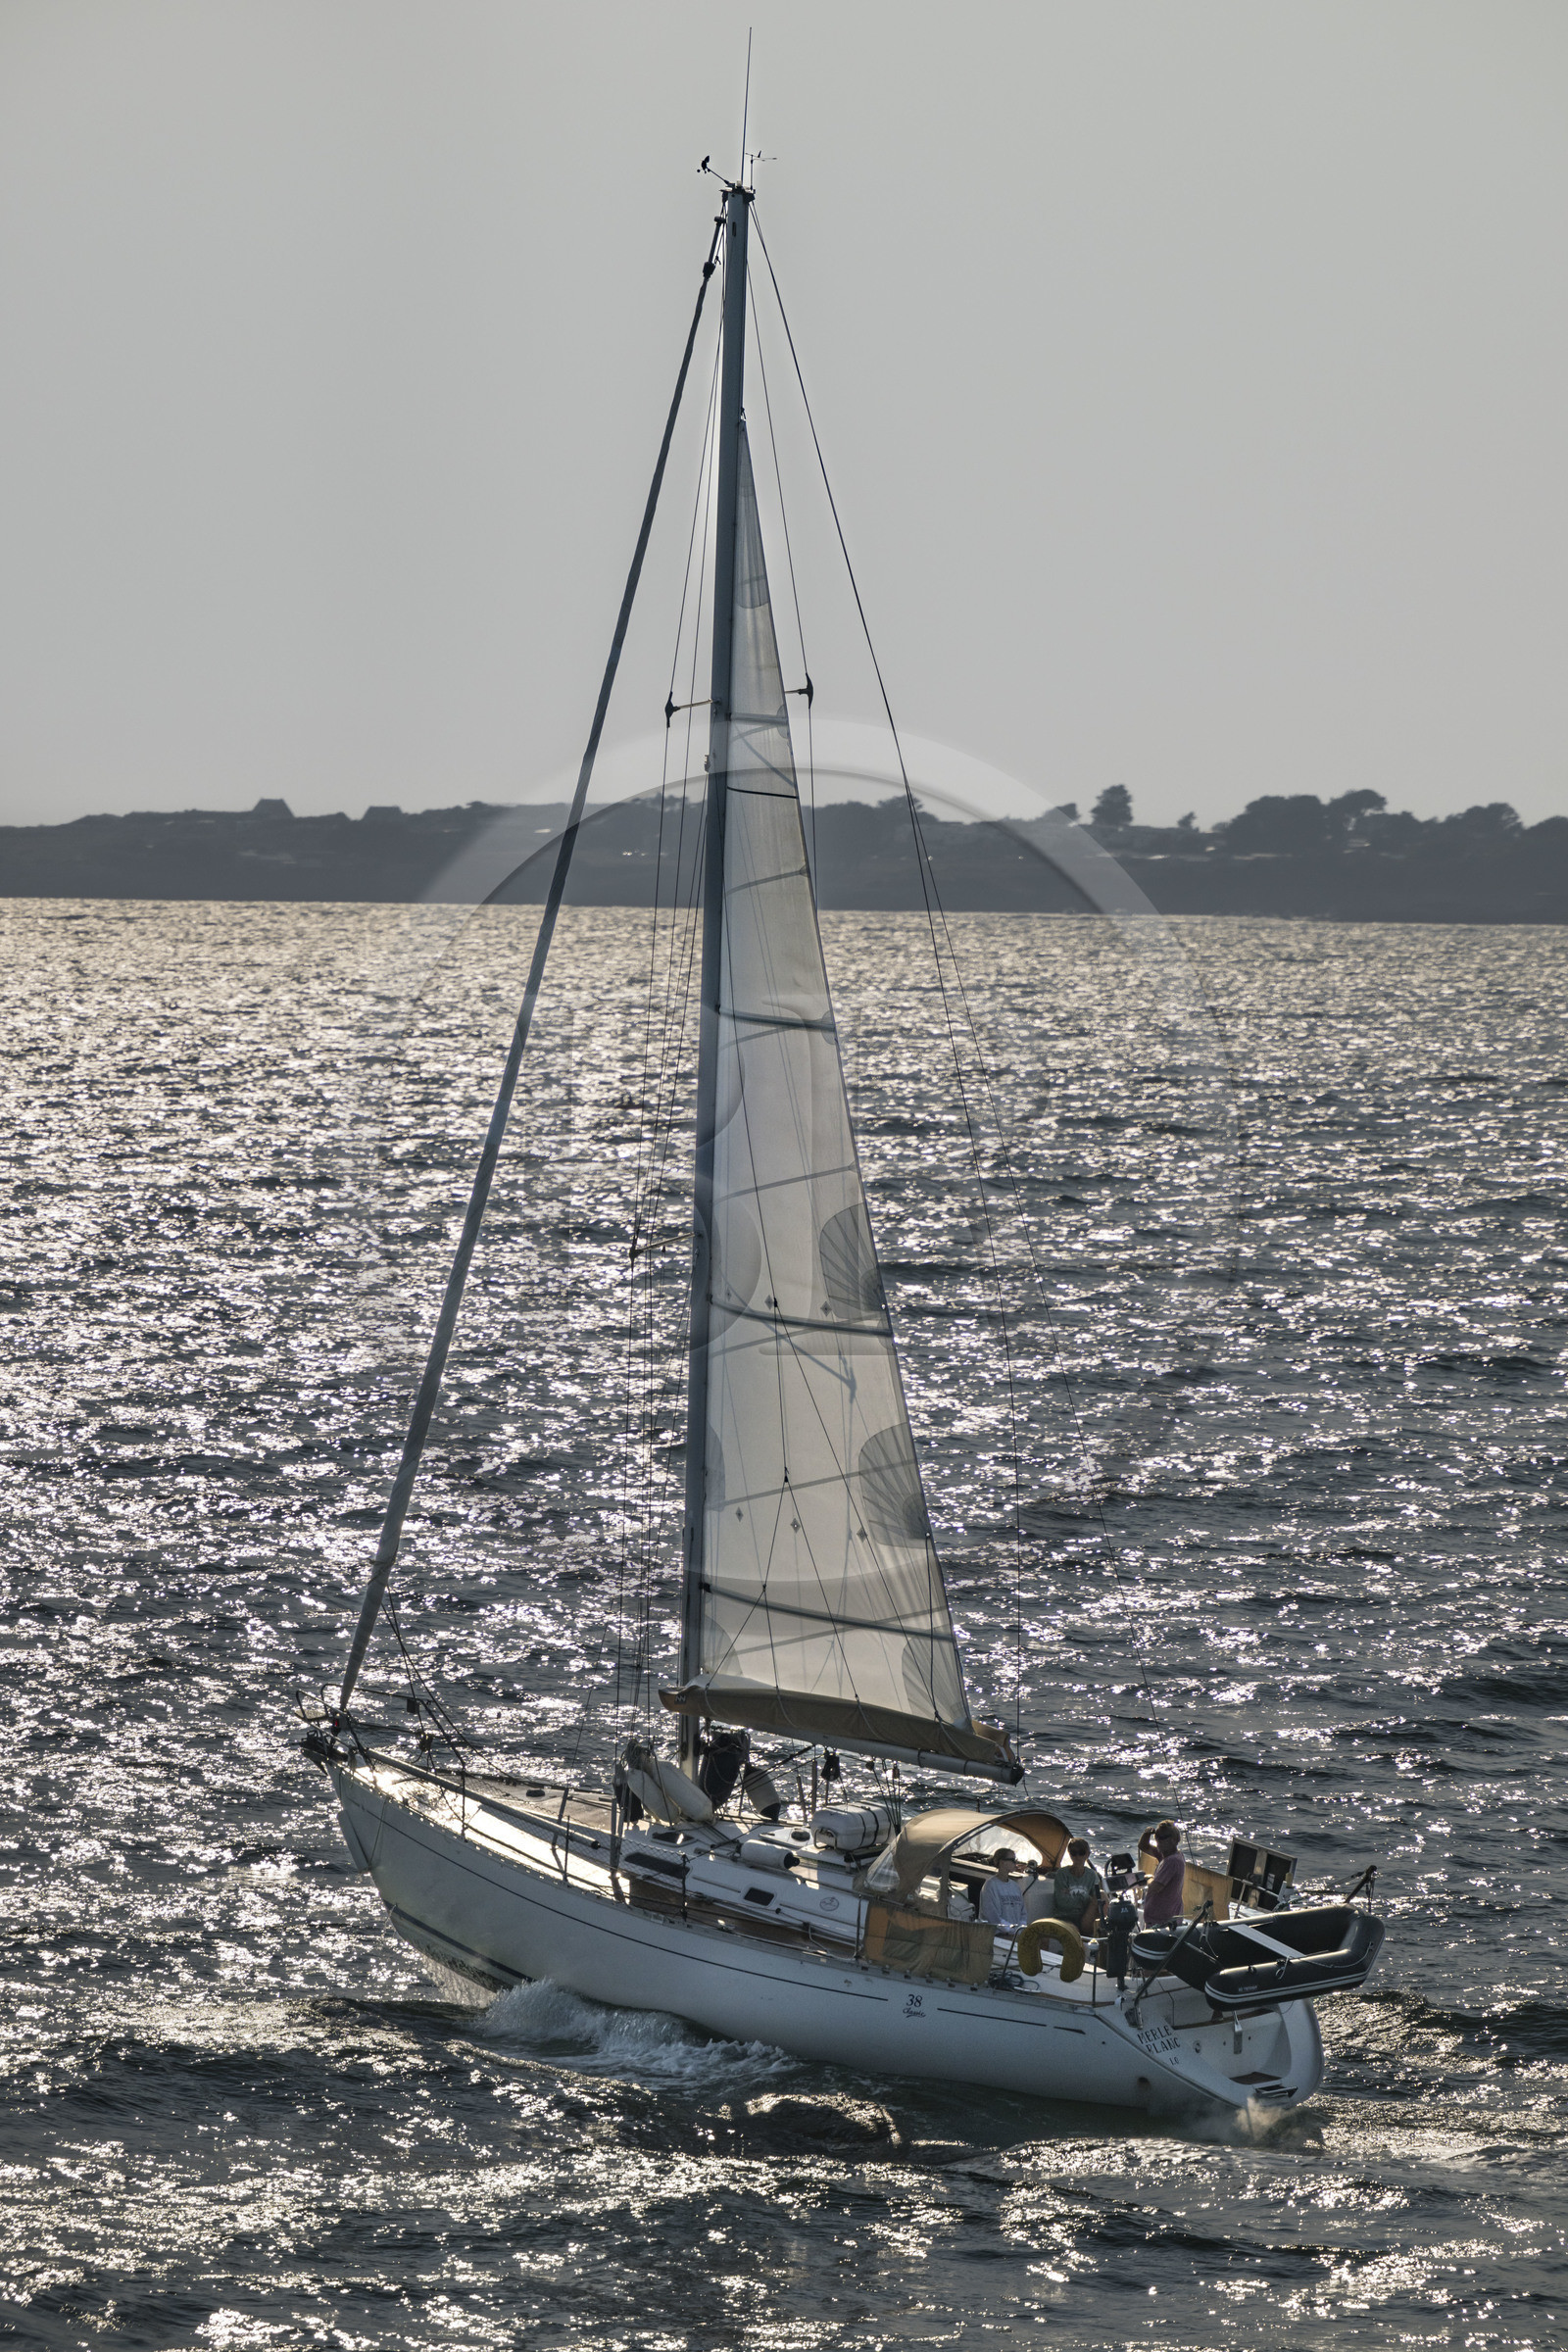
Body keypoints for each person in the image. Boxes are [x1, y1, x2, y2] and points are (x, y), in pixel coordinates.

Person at [1037, 1837, 1102, 1934]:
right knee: (1074, 1930)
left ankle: (1110, 1925)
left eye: (1081, 1852)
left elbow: (1098, 1897)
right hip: (1065, 1918)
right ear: (1070, 1854)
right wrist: (1087, 1898)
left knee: (1102, 1894)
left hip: (1086, 1917)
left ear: (1087, 1854)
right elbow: (1063, 1903)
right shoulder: (1062, 1874)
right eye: (1073, 1853)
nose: (1077, 1856)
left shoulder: (1092, 1875)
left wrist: (1072, 1895)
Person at [1142, 1820, 1186, 1926]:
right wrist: (1147, 1834)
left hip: (1162, 1922)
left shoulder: (1171, 1861)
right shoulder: (1167, 1855)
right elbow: (1143, 1846)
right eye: (1157, 1837)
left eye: (1162, 1837)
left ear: (1174, 1840)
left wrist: (1149, 1878)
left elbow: (1154, 1887)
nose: (1158, 1841)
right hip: (1164, 1919)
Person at [977, 1847, 1028, 1931]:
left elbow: (1023, 1913)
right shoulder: (990, 1886)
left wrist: (1020, 1929)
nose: (1015, 1863)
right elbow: (991, 1916)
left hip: (1015, 1934)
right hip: (997, 1935)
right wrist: (1010, 1930)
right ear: (1002, 1862)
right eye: (1012, 1860)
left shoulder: (1015, 1886)